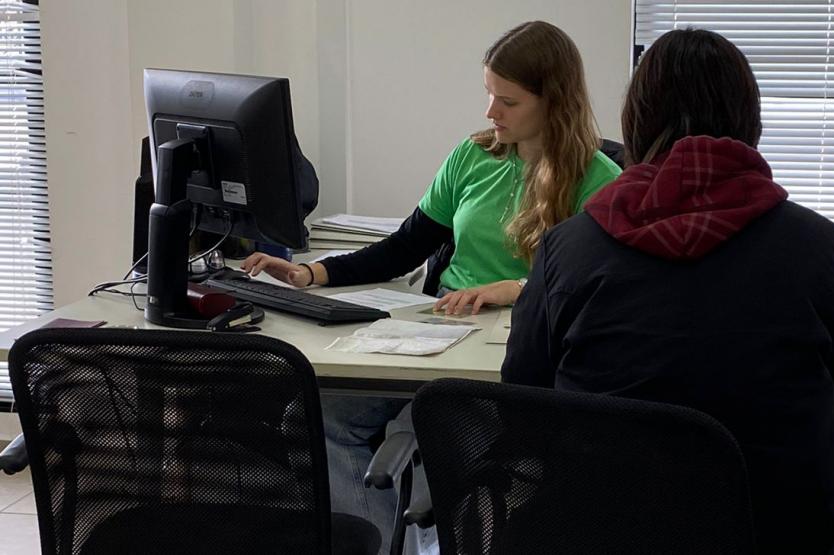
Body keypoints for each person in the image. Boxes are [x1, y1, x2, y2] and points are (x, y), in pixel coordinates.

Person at [502, 28, 834, 553]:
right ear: (749, 120)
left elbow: (524, 405)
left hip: (602, 532)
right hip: (774, 537)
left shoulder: (567, 249)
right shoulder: (822, 249)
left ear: (637, 122)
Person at [242, 20, 622, 552]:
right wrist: (312, 273)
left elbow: (592, 283)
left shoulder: (600, 180)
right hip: (437, 334)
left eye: (508, 101)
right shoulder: (474, 156)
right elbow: (405, 246)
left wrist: (517, 287)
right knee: (315, 416)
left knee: (428, 437)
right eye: (488, 94)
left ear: (553, 102)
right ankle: (380, 543)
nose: (490, 112)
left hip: (506, 354)